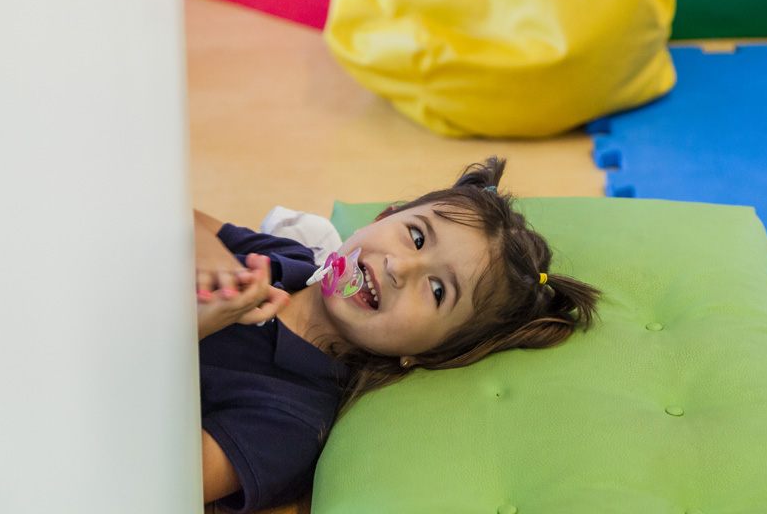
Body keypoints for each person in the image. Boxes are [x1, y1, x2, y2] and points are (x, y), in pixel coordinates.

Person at [193, 156, 602, 511]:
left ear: (429, 353)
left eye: (438, 290)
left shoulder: (290, 420)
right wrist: (201, 245)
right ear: (384, 216)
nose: (399, 267)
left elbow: (158, 479)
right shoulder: (286, 258)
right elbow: (163, 213)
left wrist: (183, 328)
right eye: (417, 236)